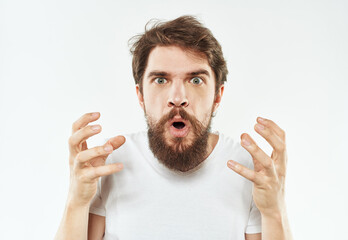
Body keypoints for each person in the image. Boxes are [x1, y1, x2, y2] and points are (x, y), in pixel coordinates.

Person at [55, 15, 293, 240]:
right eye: (160, 80)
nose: (177, 98)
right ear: (140, 95)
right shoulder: (108, 166)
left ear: (217, 96)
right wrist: (76, 201)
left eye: (196, 80)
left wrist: (274, 209)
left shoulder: (248, 170)